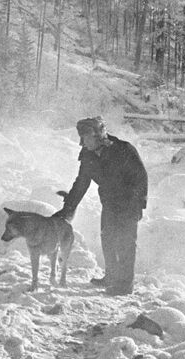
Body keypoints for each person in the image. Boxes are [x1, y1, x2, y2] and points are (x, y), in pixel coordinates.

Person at [53, 117, 148, 295]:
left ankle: (125, 285)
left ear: (98, 136)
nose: (82, 142)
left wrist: (139, 205)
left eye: (85, 137)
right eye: (80, 137)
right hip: (110, 203)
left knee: (126, 243)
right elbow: (81, 183)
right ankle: (111, 277)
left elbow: (141, 177)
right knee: (108, 240)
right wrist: (68, 208)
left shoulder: (123, 150)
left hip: (129, 203)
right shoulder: (88, 156)